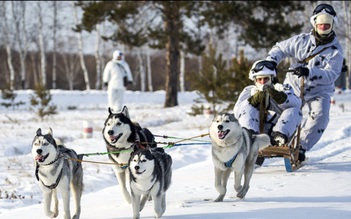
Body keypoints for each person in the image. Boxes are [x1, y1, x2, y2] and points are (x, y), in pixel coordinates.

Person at [265, 3, 344, 162]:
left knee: (320, 116)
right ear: (314, 23)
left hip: (319, 91)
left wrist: (309, 71)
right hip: (294, 85)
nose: (323, 27)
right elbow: (279, 49)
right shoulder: (301, 41)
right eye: (320, 24)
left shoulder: (336, 51)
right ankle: (273, 138)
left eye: (326, 25)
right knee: (284, 108)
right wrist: (271, 62)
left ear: (332, 25)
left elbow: (331, 74)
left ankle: (301, 147)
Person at [234, 60, 302, 148]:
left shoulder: (282, 88)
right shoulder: (248, 91)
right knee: (247, 108)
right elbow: (237, 111)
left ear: (272, 78)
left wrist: (281, 98)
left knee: (295, 111)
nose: (263, 82)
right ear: (255, 80)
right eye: (260, 79)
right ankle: (249, 136)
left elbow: (297, 104)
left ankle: (278, 136)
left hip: (278, 127)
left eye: (266, 79)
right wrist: (251, 101)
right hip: (256, 129)